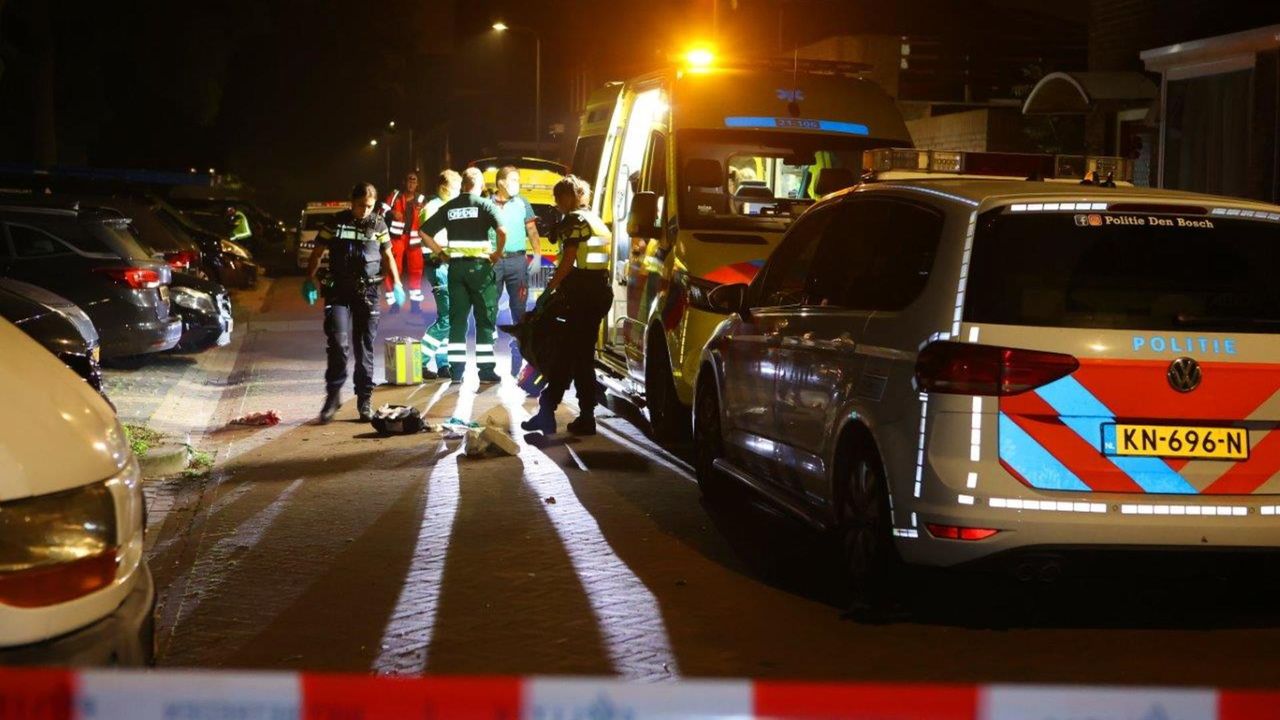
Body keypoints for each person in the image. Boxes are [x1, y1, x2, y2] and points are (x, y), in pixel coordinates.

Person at [302, 182, 405, 423]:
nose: (365, 211)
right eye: (360, 206)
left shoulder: (379, 224)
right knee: (338, 344)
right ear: (352, 202)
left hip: (367, 291)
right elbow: (317, 253)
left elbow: (388, 255)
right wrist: (309, 280)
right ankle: (333, 397)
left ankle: (364, 400)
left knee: (364, 348)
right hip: (338, 289)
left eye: (369, 206)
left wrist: (397, 283)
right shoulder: (335, 222)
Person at [520, 175, 612, 436]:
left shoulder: (576, 220)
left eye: (557, 199)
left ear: (568, 196)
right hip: (598, 292)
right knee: (578, 356)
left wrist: (547, 292)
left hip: (582, 294)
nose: (556, 204)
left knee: (571, 356)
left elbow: (568, 259)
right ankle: (570, 414)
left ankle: (554, 413)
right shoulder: (596, 221)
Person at [420, 167, 507, 384]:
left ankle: (456, 372)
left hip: (455, 270)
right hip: (480, 270)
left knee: (457, 322)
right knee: (484, 320)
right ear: (478, 183)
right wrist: (497, 254)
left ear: (463, 185)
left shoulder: (449, 207)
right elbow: (503, 231)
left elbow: (424, 232)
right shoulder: (485, 205)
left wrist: (441, 253)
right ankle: (485, 371)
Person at [490, 165, 542, 375]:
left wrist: (537, 254)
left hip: (518, 262)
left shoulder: (522, 203)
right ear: (501, 182)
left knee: (519, 311)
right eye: (513, 180)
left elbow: (532, 229)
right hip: (493, 262)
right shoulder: (487, 204)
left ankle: (519, 353)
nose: (516, 184)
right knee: (489, 309)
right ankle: (487, 364)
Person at [418, 169, 460, 379]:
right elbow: (427, 238)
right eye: (456, 187)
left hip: (447, 265)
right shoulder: (433, 207)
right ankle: (419, 361)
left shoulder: (445, 205)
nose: (459, 191)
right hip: (439, 265)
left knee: (448, 317)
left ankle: (443, 364)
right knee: (447, 319)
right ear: (445, 188)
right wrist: (443, 254)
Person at [380, 172, 428, 314]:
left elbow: (427, 216)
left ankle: (415, 304)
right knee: (392, 269)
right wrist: (392, 213)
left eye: (414, 181)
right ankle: (394, 303)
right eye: (409, 180)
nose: (411, 183)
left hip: (414, 239)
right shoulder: (395, 195)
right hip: (397, 238)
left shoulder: (421, 199)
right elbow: (382, 210)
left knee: (416, 271)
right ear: (404, 182)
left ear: (417, 184)